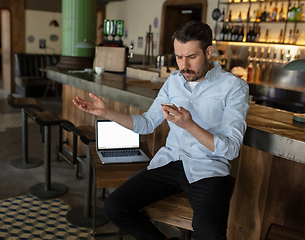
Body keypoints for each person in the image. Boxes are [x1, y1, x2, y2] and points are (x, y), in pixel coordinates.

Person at [73, 20, 249, 240]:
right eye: (178, 57)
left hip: (208, 169)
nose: (184, 65)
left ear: (209, 52)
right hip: (169, 162)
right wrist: (107, 112)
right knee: (114, 207)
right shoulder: (174, 81)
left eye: (192, 57)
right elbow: (147, 123)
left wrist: (190, 125)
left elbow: (231, 149)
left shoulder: (234, 87)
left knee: (211, 235)